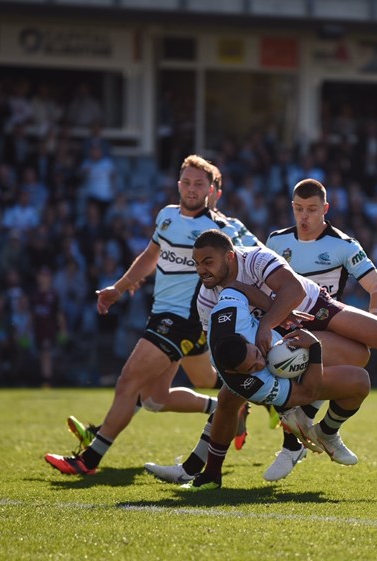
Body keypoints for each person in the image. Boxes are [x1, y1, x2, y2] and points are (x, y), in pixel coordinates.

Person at [144, 229, 377, 488]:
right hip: (276, 340)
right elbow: (225, 348)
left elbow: (288, 290)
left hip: (313, 308)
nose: (202, 269)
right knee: (227, 399)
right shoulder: (207, 297)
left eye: (207, 261)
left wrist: (267, 325)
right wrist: (248, 371)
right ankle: (206, 472)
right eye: (197, 264)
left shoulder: (255, 258)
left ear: (230, 256)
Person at [44, 155, 247, 475]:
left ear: (211, 189)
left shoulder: (217, 229)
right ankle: (232, 405)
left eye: (199, 184)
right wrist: (119, 288)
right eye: (187, 182)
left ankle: (89, 459)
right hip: (162, 312)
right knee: (158, 396)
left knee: (129, 379)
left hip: (184, 319)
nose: (192, 189)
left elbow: (234, 271)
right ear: (178, 184)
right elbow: (151, 255)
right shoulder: (166, 216)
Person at [260, 178, 377, 480]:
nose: (304, 217)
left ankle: (309, 433)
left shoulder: (343, 245)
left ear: (325, 209)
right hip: (283, 331)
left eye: (312, 210)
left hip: (324, 330)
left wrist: (375, 323)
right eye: (298, 209)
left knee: (360, 354)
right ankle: (302, 438)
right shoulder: (277, 241)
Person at [183, 285, 371, 491]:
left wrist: (278, 314)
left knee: (360, 352)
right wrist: (314, 347)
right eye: (252, 368)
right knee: (360, 381)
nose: (260, 364)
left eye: (255, 355)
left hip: (283, 339)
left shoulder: (228, 313)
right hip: (290, 380)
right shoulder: (252, 384)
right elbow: (308, 392)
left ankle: (324, 431)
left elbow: (237, 288)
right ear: (238, 373)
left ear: (246, 338)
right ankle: (212, 472)